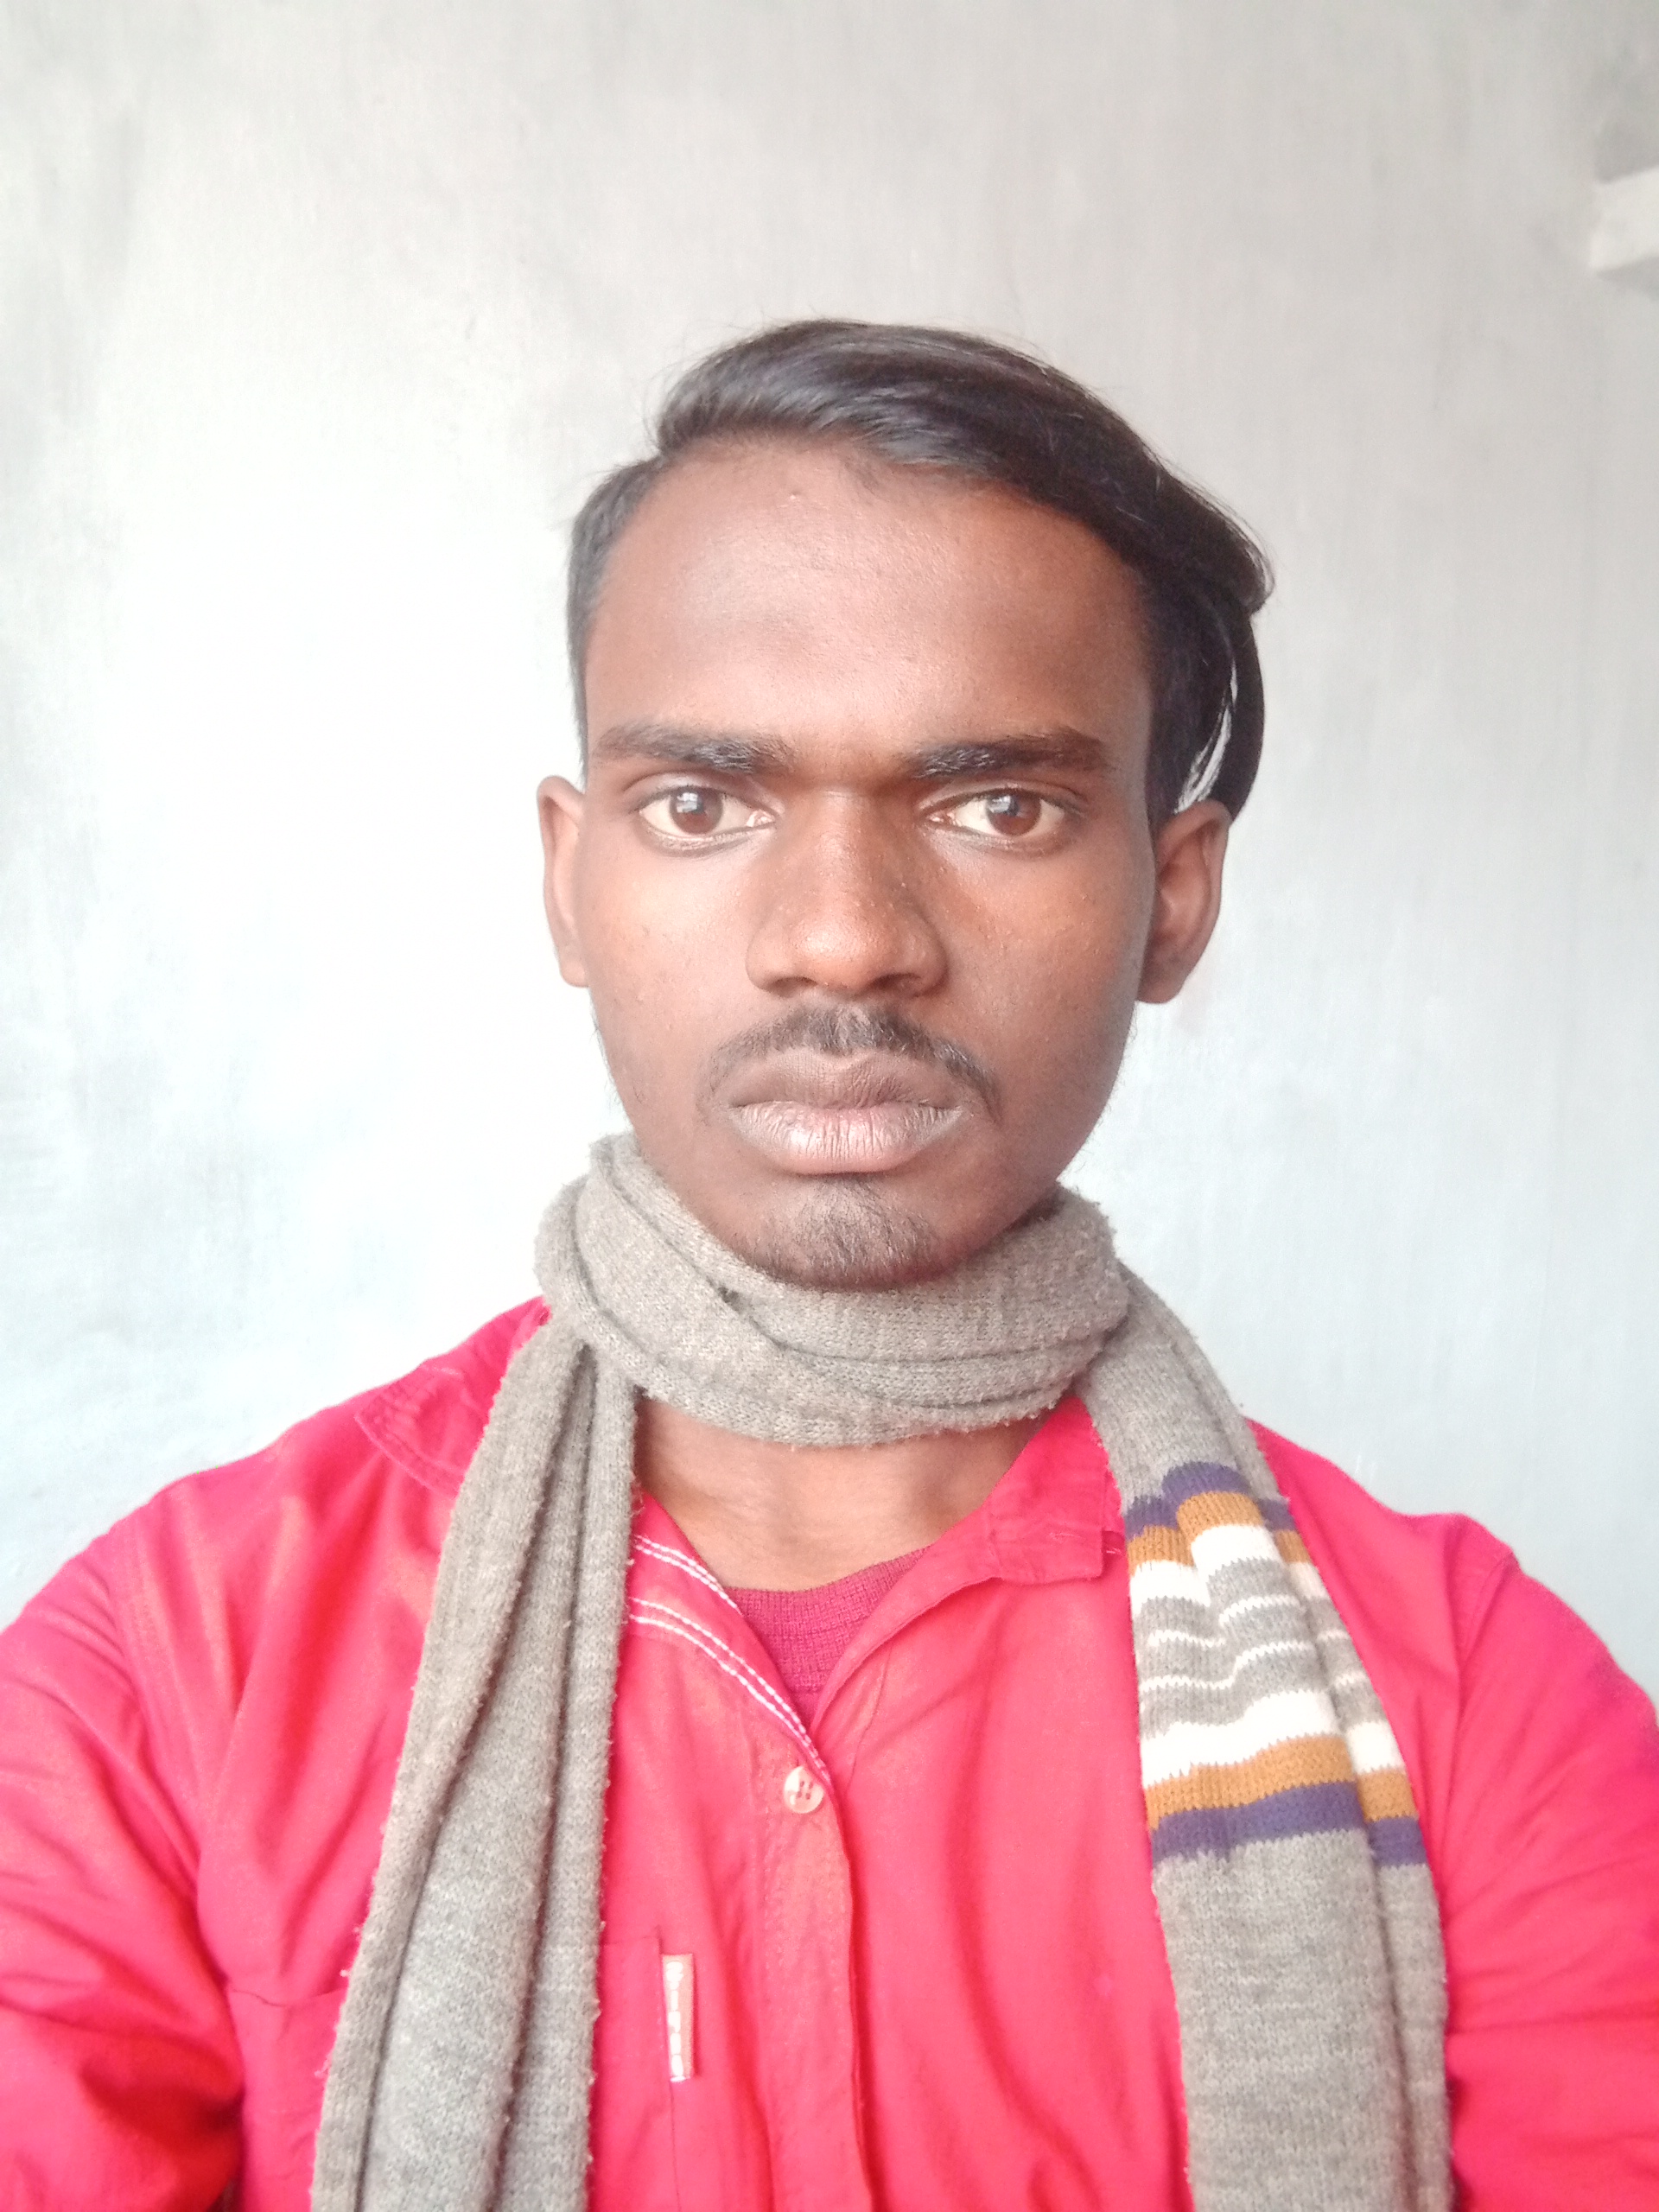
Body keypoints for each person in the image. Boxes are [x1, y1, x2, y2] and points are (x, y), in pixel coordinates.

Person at [2, 321, 1656, 2212]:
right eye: (703, 804)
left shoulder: (1479, 1700)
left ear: (1173, 898)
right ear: (569, 880)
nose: (845, 938)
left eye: (999, 804)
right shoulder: (165, 1676)